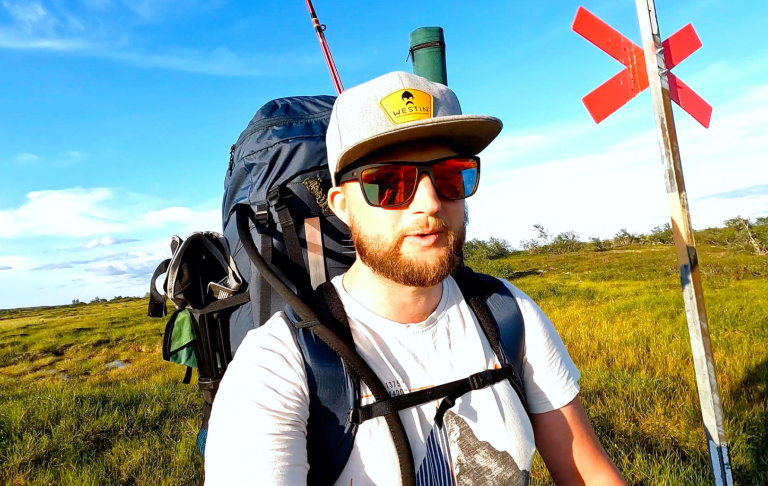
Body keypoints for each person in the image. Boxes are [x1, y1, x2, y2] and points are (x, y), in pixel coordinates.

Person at [204, 72, 627, 486]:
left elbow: (586, 472)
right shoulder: (277, 363)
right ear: (341, 205)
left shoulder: (510, 314)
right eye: (389, 183)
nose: (429, 202)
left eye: (450, 175)